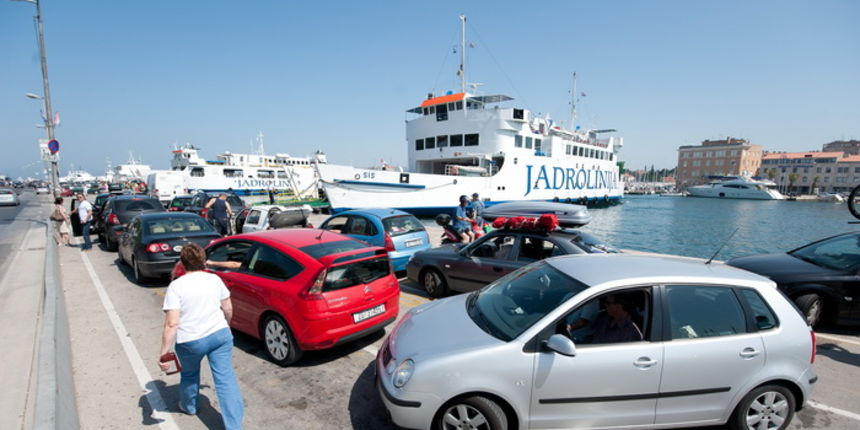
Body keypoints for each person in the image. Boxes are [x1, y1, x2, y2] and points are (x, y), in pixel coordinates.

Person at [159, 244, 244, 429]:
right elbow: (228, 308)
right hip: (219, 334)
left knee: (189, 375)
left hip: (191, 341)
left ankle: (189, 406)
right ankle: (235, 426)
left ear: (182, 262)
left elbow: (172, 323)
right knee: (225, 379)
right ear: (203, 260)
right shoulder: (214, 279)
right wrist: (226, 327)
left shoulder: (176, 286)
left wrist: (164, 353)